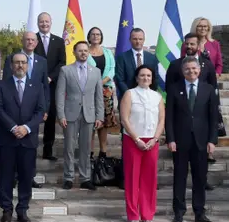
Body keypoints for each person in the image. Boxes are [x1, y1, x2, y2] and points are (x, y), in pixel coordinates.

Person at [0, 53, 45, 222]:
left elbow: (40, 111)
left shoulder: (37, 86)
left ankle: (22, 210)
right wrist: (14, 127)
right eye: (17, 62)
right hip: (6, 138)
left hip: (28, 139)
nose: (20, 65)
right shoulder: (1, 85)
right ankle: (6, 210)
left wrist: (26, 128)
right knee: (6, 176)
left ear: (28, 65)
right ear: (11, 66)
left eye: (23, 62)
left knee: (26, 176)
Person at [165, 60, 219, 222]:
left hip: (201, 141)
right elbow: (169, 117)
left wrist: (212, 140)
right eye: (187, 69)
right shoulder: (174, 89)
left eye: (194, 68)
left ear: (199, 70)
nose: (191, 71)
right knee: (179, 177)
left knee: (200, 178)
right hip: (180, 141)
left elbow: (214, 117)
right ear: (183, 71)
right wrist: (170, 139)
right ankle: (179, 212)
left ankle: (199, 212)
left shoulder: (208, 89)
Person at [119, 64, 165, 222]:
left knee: (149, 178)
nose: (145, 78)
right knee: (132, 177)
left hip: (152, 141)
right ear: (137, 78)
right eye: (142, 75)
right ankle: (133, 213)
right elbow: (124, 119)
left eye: (148, 76)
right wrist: (136, 139)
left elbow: (161, 119)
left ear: (152, 79)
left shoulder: (157, 97)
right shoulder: (130, 94)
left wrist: (155, 138)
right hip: (133, 140)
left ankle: (147, 213)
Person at [55, 42, 103, 190]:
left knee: (86, 148)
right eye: (80, 51)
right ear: (74, 52)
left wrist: (99, 116)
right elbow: (60, 94)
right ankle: (68, 177)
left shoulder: (96, 72)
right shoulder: (65, 70)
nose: (83, 53)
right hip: (70, 114)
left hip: (89, 114)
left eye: (85, 51)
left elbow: (98, 96)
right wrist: (61, 114)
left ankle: (85, 178)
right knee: (69, 147)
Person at [34, 12, 67, 160]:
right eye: (41, 22)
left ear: (51, 23)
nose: (44, 24)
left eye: (46, 21)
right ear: (38, 23)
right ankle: (31, 149)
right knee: (33, 115)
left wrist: (50, 77)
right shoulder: (32, 39)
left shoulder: (59, 41)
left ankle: (48, 151)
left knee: (51, 117)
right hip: (35, 84)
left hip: (53, 85)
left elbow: (62, 62)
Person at [83, 27, 117, 158]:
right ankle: (90, 152)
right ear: (89, 37)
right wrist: (94, 83)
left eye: (98, 34)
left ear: (101, 37)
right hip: (89, 90)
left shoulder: (107, 52)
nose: (95, 36)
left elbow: (112, 69)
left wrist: (103, 82)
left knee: (104, 122)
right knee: (90, 121)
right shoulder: (85, 51)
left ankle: (103, 152)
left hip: (105, 90)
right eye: (93, 34)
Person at [114, 27, 157, 106]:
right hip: (128, 100)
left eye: (140, 39)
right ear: (130, 40)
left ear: (144, 40)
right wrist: (131, 95)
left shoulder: (152, 58)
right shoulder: (122, 58)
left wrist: (149, 94)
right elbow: (119, 80)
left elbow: (155, 79)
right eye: (135, 39)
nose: (138, 41)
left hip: (148, 100)